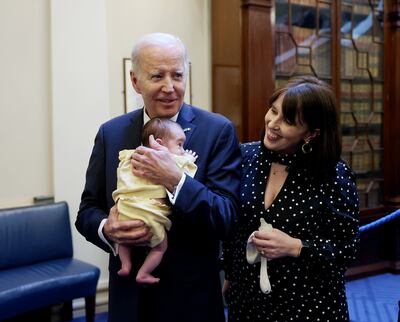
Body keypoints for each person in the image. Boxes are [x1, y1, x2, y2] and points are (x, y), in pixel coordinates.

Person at [75, 32, 241, 322]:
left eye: (177, 75)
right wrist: (107, 229)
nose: (170, 87)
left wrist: (175, 179)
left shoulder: (217, 131)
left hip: (191, 299)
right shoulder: (111, 133)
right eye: (157, 76)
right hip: (129, 298)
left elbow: (226, 216)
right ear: (135, 81)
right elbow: (87, 210)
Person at [223, 75, 359, 321]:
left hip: (307, 304)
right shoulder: (244, 156)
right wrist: (230, 276)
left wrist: (295, 247)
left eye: (287, 120)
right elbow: (235, 230)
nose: (272, 123)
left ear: (311, 133)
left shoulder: (334, 175)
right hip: (247, 299)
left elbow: (346, 251)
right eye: (273, 111)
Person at [112, 118, 198, 284]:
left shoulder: (129, 157)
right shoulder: (172, 160)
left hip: (126, 212)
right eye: (180, 145)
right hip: (151, 216)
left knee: (123, 241)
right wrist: (189, 158)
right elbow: (186, 175)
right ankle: (143, 273)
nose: (182, 150)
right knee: (160, 247)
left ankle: (125, 264)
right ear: (159, 144)